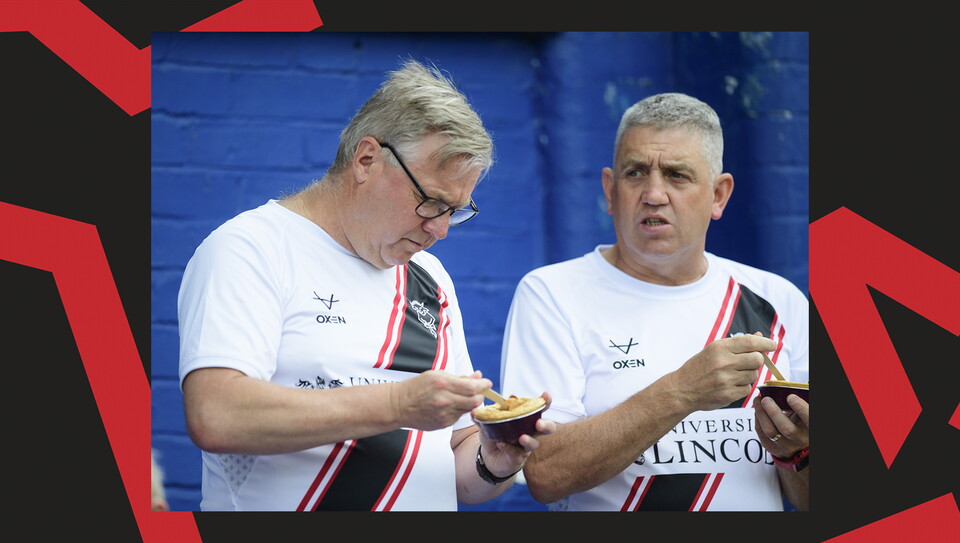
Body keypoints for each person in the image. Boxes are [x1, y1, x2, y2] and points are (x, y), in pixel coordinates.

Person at [177, 59, 554, 511]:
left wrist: (493, 460)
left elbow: (451, 470)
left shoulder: (430, 278)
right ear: (367, 159)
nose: (441, 231)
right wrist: (397, 403)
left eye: (455, 210)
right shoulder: (251, 249)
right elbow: (216, 415)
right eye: (431, 201)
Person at [500, 92, 809, 511]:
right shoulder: (553, 293)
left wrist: (797, 454)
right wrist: (681, 392)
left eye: (677, 175)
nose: (654, 193)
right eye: (636, 173)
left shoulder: (777, 300)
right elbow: (543, 474)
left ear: (719, 195)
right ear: (610, 190)